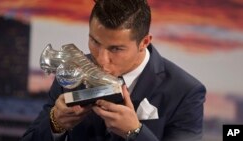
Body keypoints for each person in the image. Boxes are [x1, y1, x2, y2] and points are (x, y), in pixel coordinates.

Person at [21, 0, 206, 141]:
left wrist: (135, 133)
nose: (101, 60)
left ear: (144, 42)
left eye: (116, 49)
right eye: (95, 41)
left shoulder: (186, 92)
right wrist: (56, 123)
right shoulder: (72, 72)